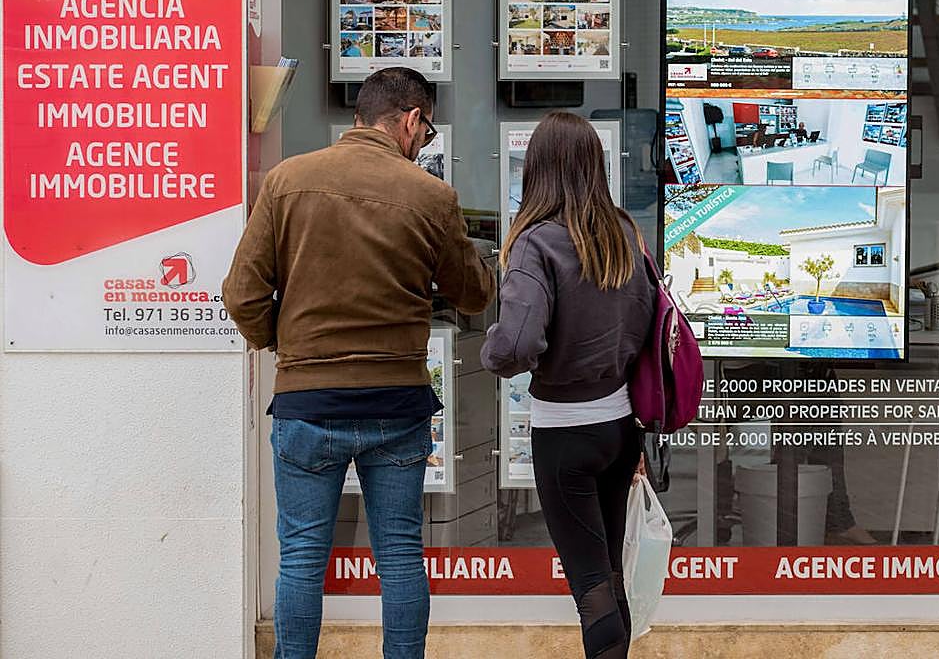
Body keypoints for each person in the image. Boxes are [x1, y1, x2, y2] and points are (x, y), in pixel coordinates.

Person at [223, 67, 494, 659]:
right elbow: (474, 295)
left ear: (359, 118)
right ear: (412, 121)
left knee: (301, 555)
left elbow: (241, 295)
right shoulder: (431, 196)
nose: (423, 144)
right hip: (396, 402)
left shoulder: (287, 181)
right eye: (426, 132)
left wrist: (288, 348)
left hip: (307, 402)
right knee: (399, 553)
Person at [481, 112, 655, 659]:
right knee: (610, 574)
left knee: (591, 587)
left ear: (537, 169)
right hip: (620, 428)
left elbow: (514, 345)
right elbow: (646, 323)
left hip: (565, 434)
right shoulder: (625, 233)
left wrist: (491, 349)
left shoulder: (536, 243)